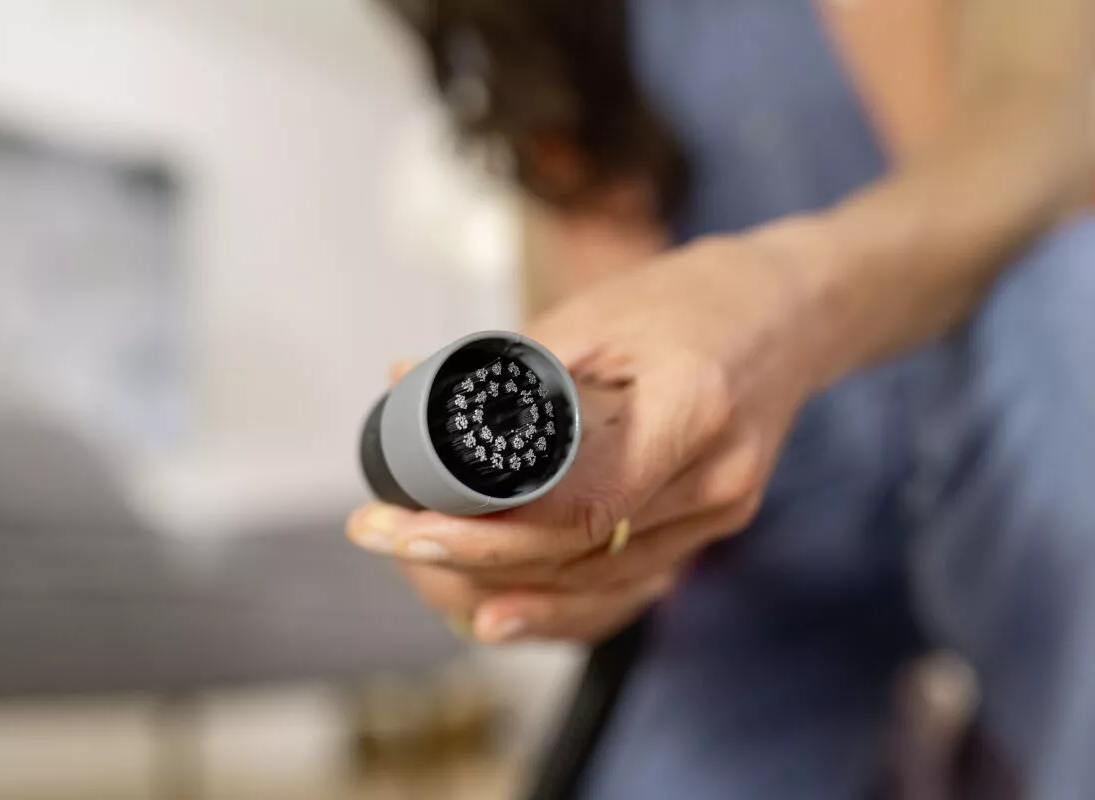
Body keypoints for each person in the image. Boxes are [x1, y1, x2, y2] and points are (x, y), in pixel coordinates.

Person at [347, 1, 1095, 797]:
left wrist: (787, 295)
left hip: (1031, 452)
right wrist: (572, 554)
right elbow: (588, 332)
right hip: (764, 545)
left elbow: (1053, 127)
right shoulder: (541, 38)